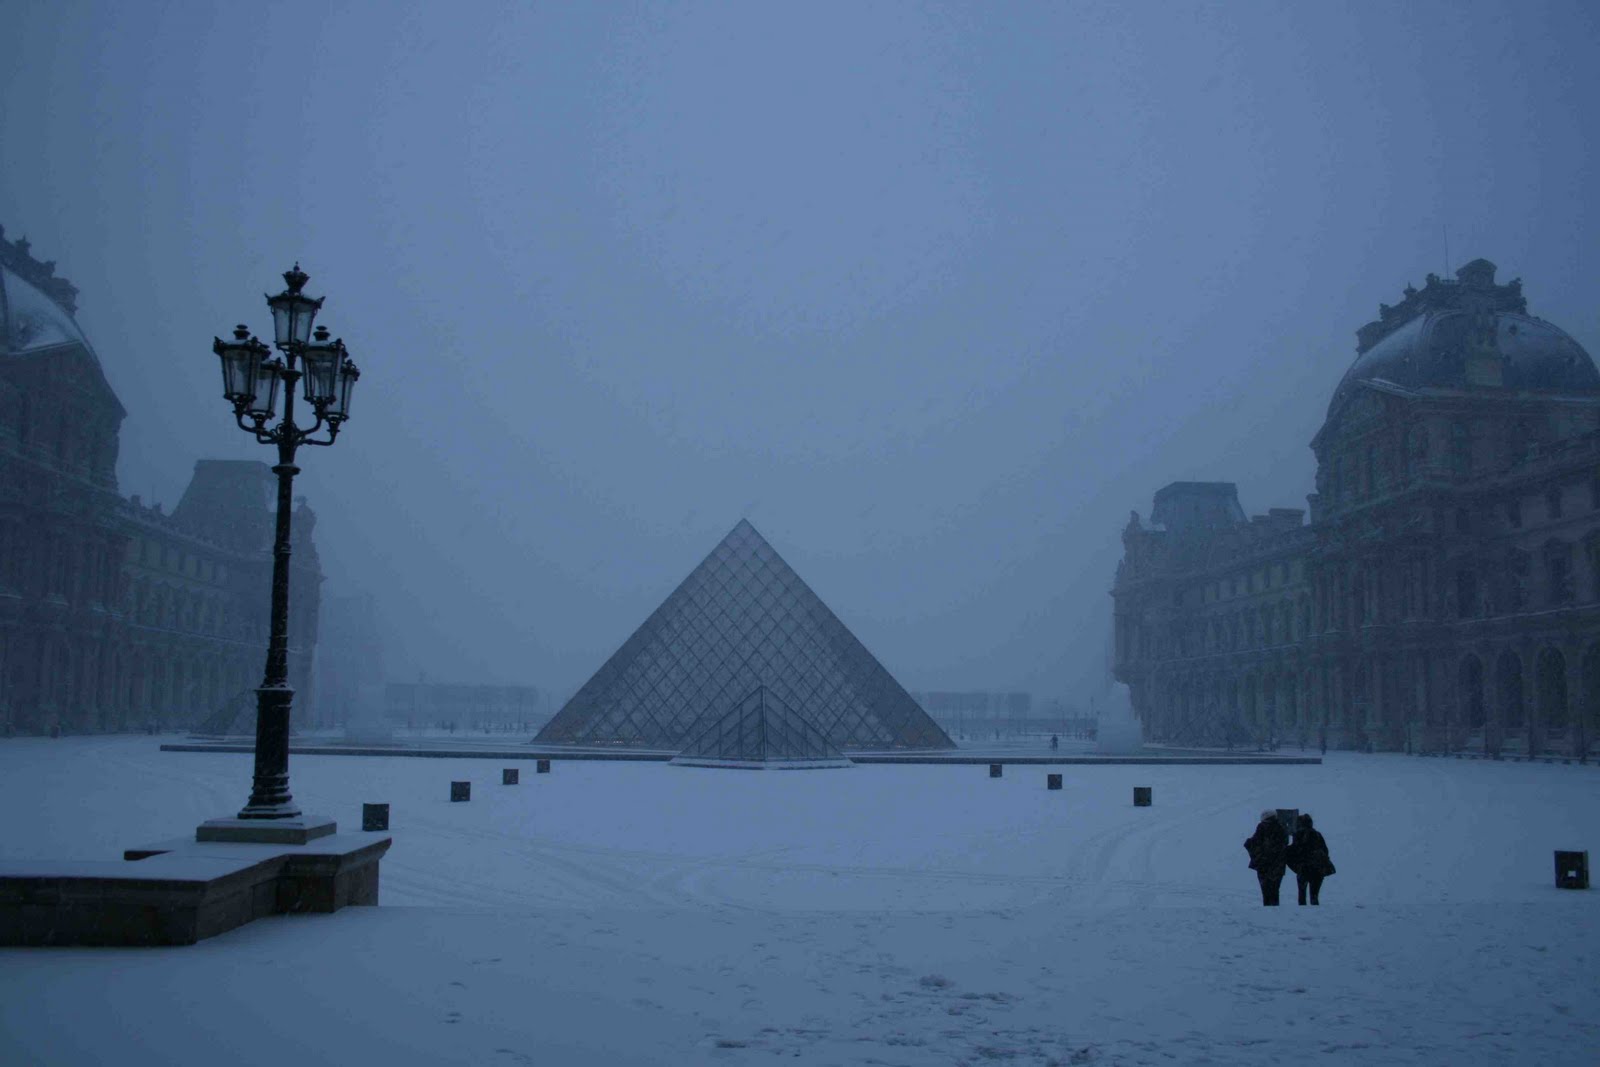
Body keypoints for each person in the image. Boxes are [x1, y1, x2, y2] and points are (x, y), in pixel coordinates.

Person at [1285, 813, 1335, 905]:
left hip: (1303, 868)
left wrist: (1286, 849)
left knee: (1302, 895)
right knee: (1314, 895)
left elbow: (1295, 850)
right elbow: (1325, 850)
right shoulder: (1317, 834)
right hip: (1318, 868)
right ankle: (1315, 912)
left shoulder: (1298, 834)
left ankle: (1303, 912)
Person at [1243, 809, 1288, 905]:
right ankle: (1276, 910)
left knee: (1266, 893)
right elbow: (1284, 845)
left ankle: (1268, 911)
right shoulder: (1282, 828)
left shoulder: (1262, 827)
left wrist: (1249, 844)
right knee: (1275, 892)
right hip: (1278, 865)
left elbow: (1253, 843)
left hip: (1264, 865)